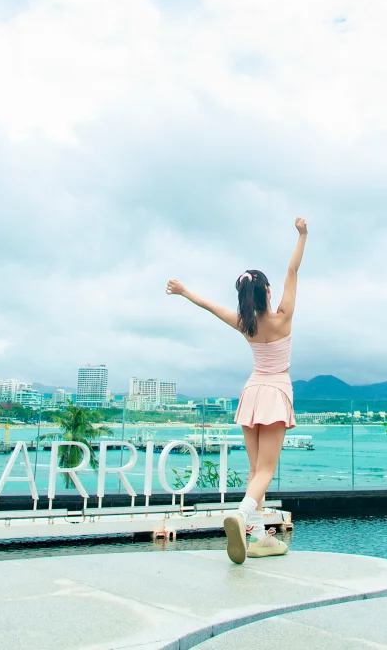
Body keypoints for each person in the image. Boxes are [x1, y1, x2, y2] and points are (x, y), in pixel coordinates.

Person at [166, 217, 307, 563]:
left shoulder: (245, 323)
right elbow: (293, 271)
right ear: (268, 292)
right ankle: (243, 516)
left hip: (251, 393)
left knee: (255, 468)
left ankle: (256, 534)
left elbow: (211, 307)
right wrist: (302, 235)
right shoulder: (283, 317)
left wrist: (183, 291)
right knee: (266, 471)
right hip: (275, 392)